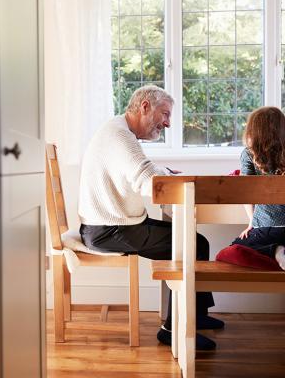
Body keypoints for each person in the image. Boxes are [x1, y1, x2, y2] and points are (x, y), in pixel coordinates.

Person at [78, 85, 223, 350]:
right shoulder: (120, 137)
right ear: (145, 106)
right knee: (192, 245)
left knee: (194, 242)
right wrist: (169, 178)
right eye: (164, 114)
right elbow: (146, 181)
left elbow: (140, 170)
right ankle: (175, 328)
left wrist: (165, 171)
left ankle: (194, 315)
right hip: (110, 229)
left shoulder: (118, 131)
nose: (167, 123)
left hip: (113, 224)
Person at [231, 106, 285, 270]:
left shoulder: (249, 154)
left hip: (266, 228)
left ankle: (275, 250)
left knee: (236, 246)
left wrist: (252, 222)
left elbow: (245, 191)